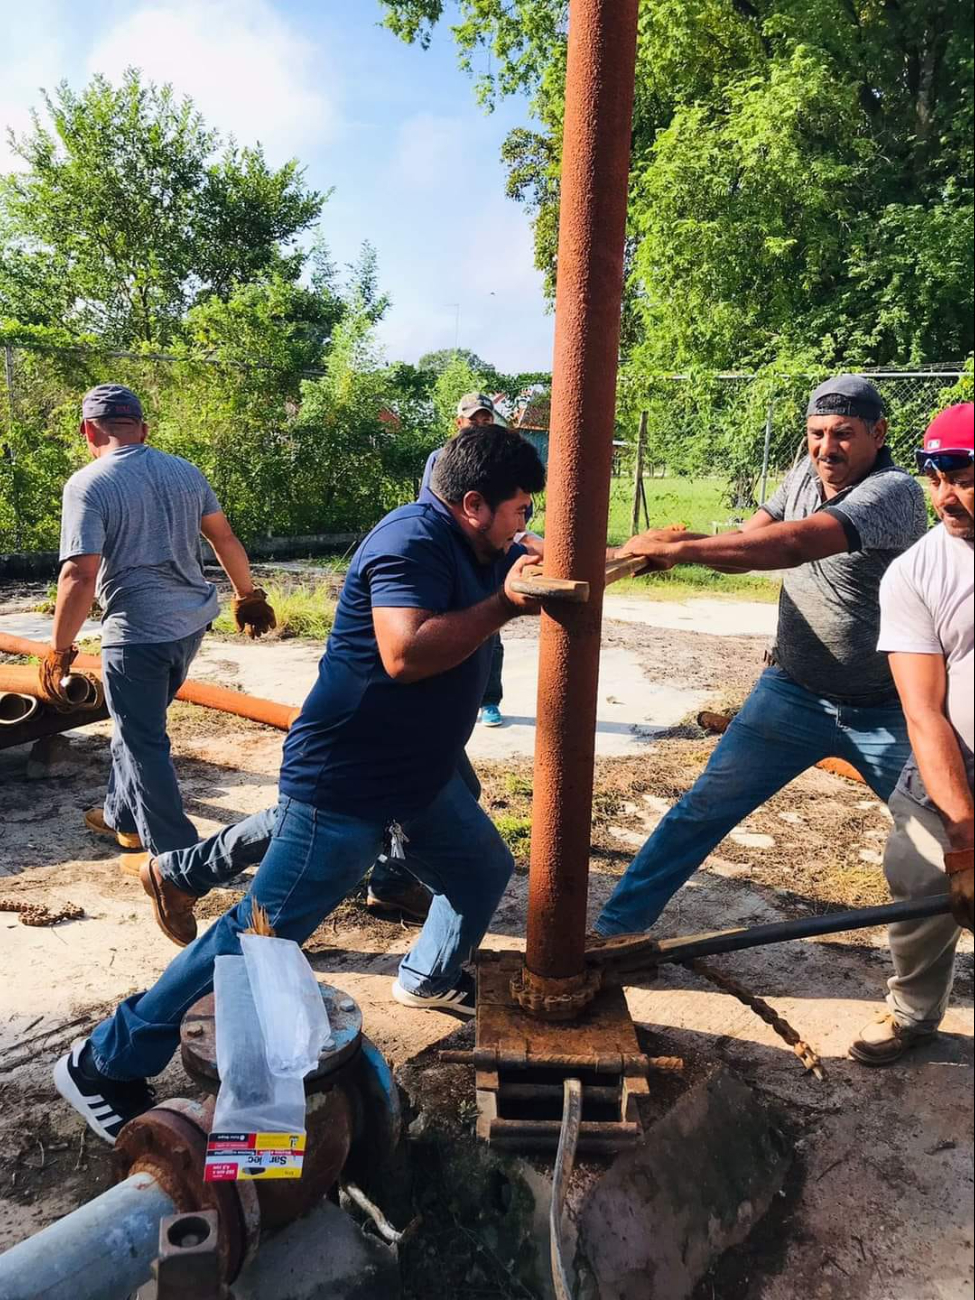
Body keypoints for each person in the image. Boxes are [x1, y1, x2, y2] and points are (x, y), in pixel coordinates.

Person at [54, 424, 546, 1144]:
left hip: (417, 773)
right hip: (347, 780)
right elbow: (405, 653)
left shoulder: (478, 540)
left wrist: (637, 555)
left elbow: (524, 564)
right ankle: (103, 1061)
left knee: (480, 867)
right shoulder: (411, 543)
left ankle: (429, 975)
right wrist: (504, 603)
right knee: (255, 939)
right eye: (519, 510)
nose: (524, 524)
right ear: (472, 503)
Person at [593, 374, 927, 937]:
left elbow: (796, 543)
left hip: (887, 708)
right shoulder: (804, 473)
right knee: (701, 811)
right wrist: (667, 548)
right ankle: (617, 931)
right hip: (791, 694)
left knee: (940, 833)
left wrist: (680, 548)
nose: (826, 448)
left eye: (843, 434)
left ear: (879, 433)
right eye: (817, 434)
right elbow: (750, 545)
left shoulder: (894, 492)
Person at [41, 384, 274, 859]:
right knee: (137, 725)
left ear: (88, 430)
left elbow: (78, 574)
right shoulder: (185, 471)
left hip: (138, 633)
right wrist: (248, 595)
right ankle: (120, 816)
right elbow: (224, 538)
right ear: (143, 428)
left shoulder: (88, 483)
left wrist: (59, 650)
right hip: (190, 624)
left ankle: (176, 859)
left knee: (144, 738)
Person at [849, 403, 974, 1065]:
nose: (943, 493)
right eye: (932, 474)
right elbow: (923, 712)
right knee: (915, 874)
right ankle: (912, 1015)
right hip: (962, 753)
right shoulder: (916, 572)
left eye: (959, 473)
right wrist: (960, 838)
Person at [422, 393, 545, 727]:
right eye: (473, 419)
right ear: (459, 423)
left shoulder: (504, 463)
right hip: (462, 552)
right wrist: (507, 603)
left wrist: (522, 538)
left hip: (492, 546)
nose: (479, 424)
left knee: (489, 635)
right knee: (458, 621)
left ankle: (488, 700)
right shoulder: (440, 463)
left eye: (486, 419)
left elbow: (519, 516)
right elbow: (433, 511)